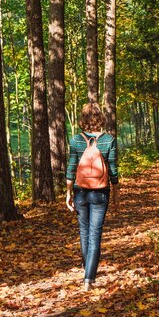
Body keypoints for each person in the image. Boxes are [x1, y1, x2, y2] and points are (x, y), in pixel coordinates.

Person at [65, 101, 119, 291]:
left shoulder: (76, 140)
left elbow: (72, 167)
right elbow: (112, 168)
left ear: (84, 119)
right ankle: (89, 278)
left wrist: (68, 192)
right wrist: (117, 192)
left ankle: (87, 268)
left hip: (81, 191)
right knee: (95, 234)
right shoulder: (108, 140)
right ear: (100, 119)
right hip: (101, 192)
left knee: (84, 231)